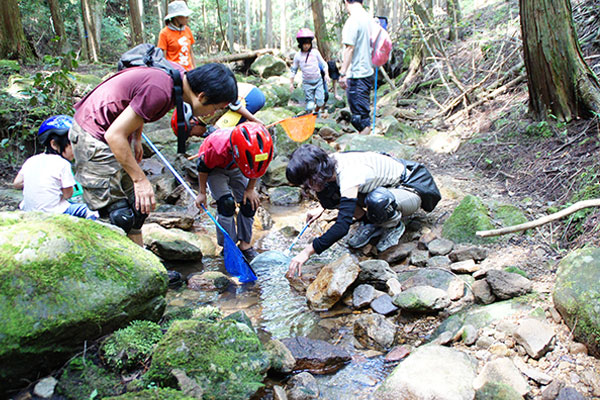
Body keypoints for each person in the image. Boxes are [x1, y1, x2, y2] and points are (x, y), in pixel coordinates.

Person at [70, 62, 237, 246]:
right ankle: (115, 268)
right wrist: (140, 180)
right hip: (93, 134)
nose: (214, 113)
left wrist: (136, 137)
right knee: (118, 216)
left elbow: (134, 103)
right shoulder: (161, 91)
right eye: (216, 107)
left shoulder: (179, 81)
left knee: (139, 208)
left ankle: (142, 261)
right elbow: (114, 135)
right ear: (202, 96)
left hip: (114, 132)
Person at [285, 145, 440, 277]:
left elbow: (342, 226)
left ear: (315, 175)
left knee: (378, 201)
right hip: (383, 188)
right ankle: (369, 223)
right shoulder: (325, 165)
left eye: (307, 183)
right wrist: (322, 207)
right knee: (327, 195)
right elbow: (334, 194)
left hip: (411, 187)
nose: (307, 187)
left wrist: (307, 251)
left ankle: (393, 225)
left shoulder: (349, 172)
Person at [192, 122, 274, 262]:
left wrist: (250, 189)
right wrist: (202, 193)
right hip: (215, 169)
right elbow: (203, 167)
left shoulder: (263, 147)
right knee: (226, 204)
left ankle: (245, 246)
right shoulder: (216, 148)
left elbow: (258, 168)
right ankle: (229, 246)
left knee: (249, 202)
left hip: (239, 165)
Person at [13, 115, 97, 220]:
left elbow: (16, 183)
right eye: (72, 144)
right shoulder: (62, 164)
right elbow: (68, 195)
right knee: (91, 210)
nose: (76, 149)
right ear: (54, 144)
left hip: (28, 210)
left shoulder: (32, 160)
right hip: (53, 212)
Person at [180, 82, 266, 137]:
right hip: (250, 94)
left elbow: (234, 104)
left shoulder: (203, 114)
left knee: (215, 133)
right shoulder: (203, 116)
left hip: (249, 97)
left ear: (191, 123)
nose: (197, 136)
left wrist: (255, 120)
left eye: (192, 134)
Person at [339, 0, 374, 135]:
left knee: (360, 119)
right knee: (362, 116)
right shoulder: (367, 18)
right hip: (367, 71)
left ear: (347, 2)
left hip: (358, 74)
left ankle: (361, 149)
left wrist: (343, 73)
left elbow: (349, 48)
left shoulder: (353, 20)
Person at [290, 28, 329, 115]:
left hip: (318, 81)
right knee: (310, 105)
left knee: (320, 102)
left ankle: (316, 111)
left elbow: (324, 64)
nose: (306, 46)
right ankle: (310, 115)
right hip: (307, 83)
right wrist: (291, 83)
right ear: (301, 44)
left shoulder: (315, 52)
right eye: (304, 43)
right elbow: (293, 70)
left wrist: (326, 74)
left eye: (308, 43)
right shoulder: (298, 56)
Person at [158, 1, 196, 71]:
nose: (187, 17)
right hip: (175, 72)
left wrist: (195, 68)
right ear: (176, 17)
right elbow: (163, 57)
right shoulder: (164, 33)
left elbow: (190, 52)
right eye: (185, 16)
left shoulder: (187, 30)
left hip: (189, 71)